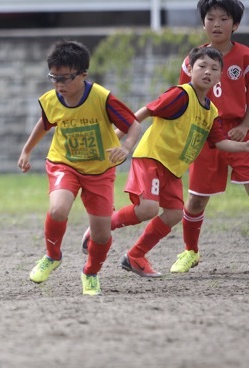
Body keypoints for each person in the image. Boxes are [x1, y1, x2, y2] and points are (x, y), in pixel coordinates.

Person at [84, 47, 249, 278]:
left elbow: (221, 143)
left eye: (214, 69)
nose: (207, 72)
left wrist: (244, 146)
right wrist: (119, 136)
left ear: (220, 77)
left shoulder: (211, 111)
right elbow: (146, 111)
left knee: (174, 214)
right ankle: (102, 226)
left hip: (173, 169)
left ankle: (136, 255)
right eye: (202, 66)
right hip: (152, 158)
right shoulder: (181, 95)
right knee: (148, 209)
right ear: (190, 69)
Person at [18, 40, 142, 296]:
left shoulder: (102, 98)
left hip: (99, 170)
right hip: (64, 163)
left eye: (65, 78)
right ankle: (52, 255)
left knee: (100, 233)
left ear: (83, 74)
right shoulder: (52, 100)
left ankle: (91, 272)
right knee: (58, 207)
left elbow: (134, 125)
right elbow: (45, 123)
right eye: (54, 78)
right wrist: (27, 150)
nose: (59, 85)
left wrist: (126, 147)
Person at [172, 0, 249, 274]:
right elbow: (183, 98)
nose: (217, 24)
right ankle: (190, 251)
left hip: (239, 133)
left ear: (235, 24)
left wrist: (244, 125)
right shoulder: (193, 59)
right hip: (205, 134)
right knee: (195, 198)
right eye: (210, 18)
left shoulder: (244, 56)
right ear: (203, 23)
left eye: (224, 18)